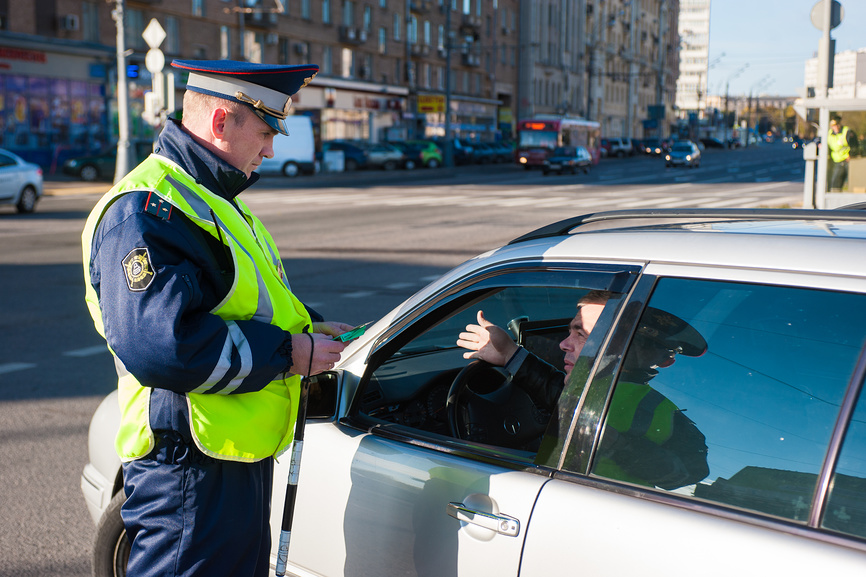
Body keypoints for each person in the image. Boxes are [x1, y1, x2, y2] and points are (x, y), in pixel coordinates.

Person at [81, 60, 354, 577]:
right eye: (266, 132)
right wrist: (290, 352)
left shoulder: (210, 199)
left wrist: (308, 328)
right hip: (187, 466)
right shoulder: (147, 210)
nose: (270, 150)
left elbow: (242, 303)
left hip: (226, 458)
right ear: (222, 121)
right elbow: (164, 345)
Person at [457, 292, 709, 489]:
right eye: (571, 332)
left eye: (583, 335)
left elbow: (691, 473)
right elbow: (559, 392)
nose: (563, 344)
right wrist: (509, 353)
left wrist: (616, 444)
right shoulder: (589, 388)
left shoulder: (667, 414)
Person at [828, 115, 859, 191]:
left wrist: (851, 155)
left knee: (853, 183)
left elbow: (855, 145)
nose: (835, 127)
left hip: (848, 161)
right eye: (833, 126)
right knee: (835, 184)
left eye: (837, 125)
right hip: (837, 162)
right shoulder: (830, 134)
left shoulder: (847, 132)